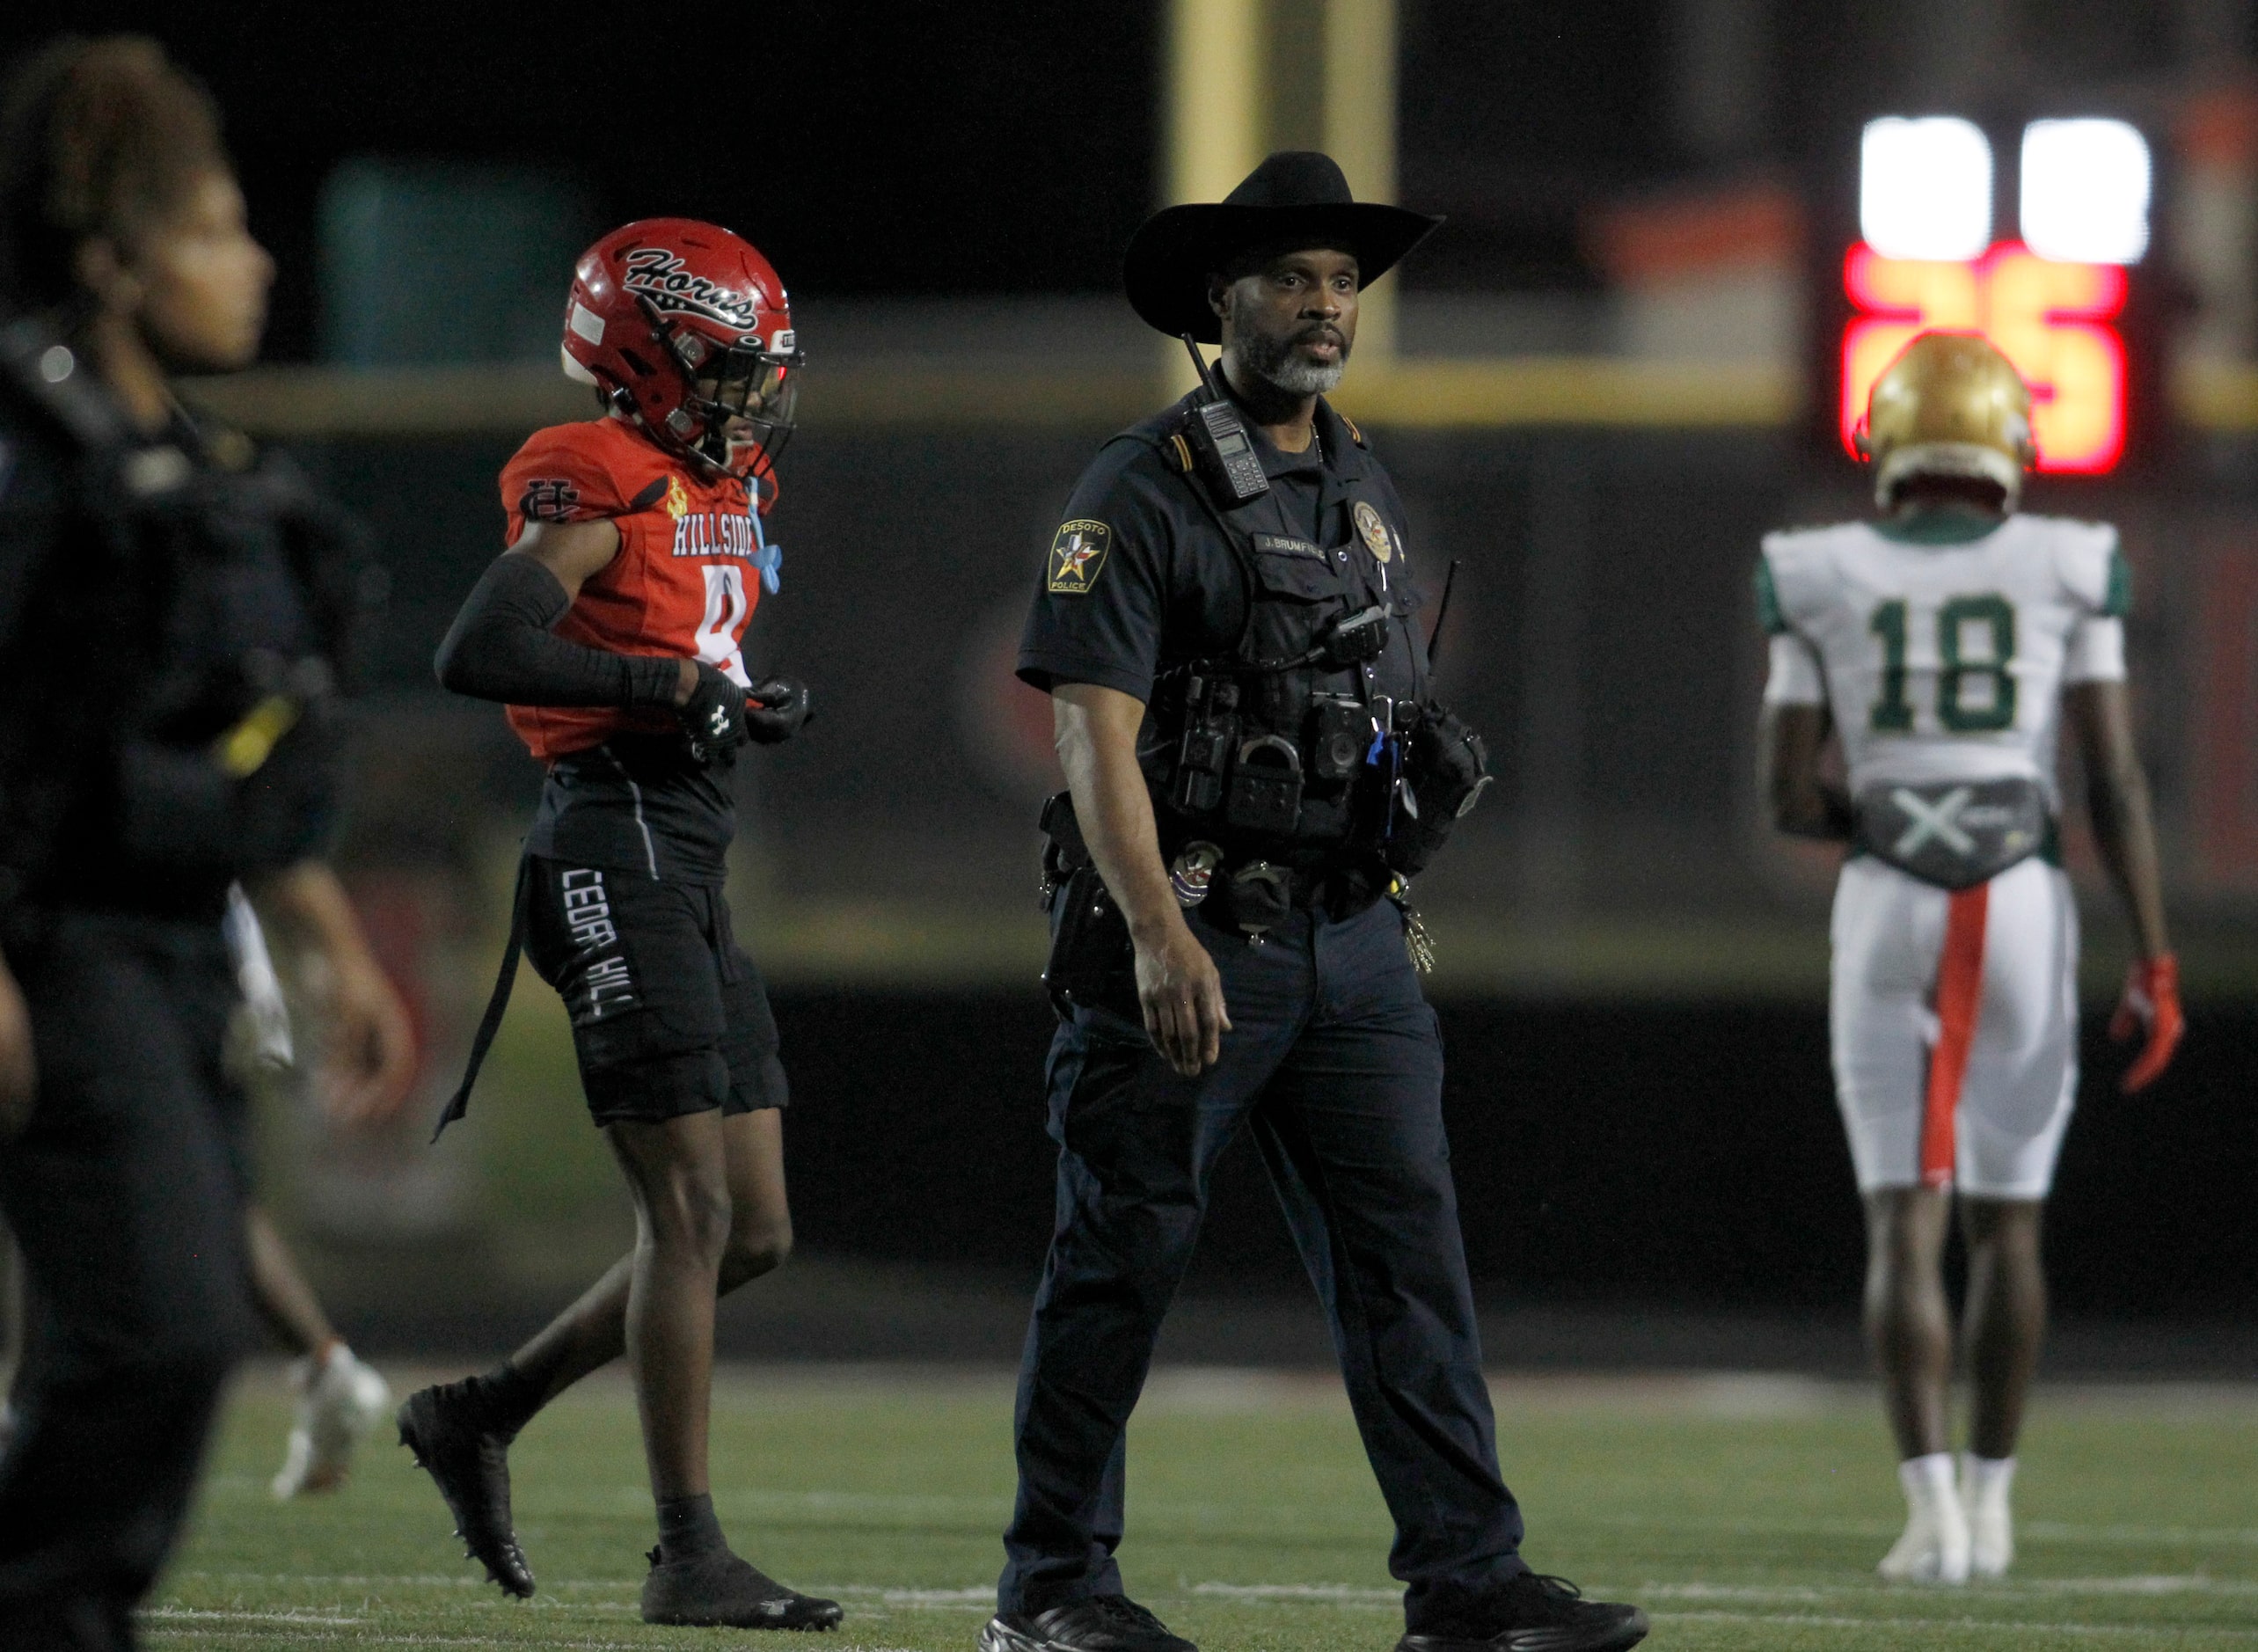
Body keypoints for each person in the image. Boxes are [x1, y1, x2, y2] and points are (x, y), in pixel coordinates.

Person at [990, 151, 1648, 1652]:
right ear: (1220, 301)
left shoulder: (1358, 477)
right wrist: (1157, 932)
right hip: (1199, 930)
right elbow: (1089, 735)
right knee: (1119, 1261)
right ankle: (1050, 1592)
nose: (1327, 303)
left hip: (1352, 942)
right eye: (1295, 276)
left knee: (1410, 1263)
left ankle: (1468, 1583)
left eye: (1344, 281)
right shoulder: (1135, 488)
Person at [0, 35, 406, 1649]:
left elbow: (206, 733)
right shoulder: (30, 459)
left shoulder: (202, 475)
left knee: (165, 1342)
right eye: (213, 227)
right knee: (159, 1327)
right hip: (58, 944)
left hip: (171, 950)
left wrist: (325, 932)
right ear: (109, 257)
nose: (254, 262)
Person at [402, 217, 835, 1632]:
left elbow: (685, 642)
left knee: (755, 1225)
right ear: (641, 361)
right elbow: (483, 646)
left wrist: (732, 694)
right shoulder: (591, 472)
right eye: (720, 368)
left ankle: (485, 1409)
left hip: (687, 843)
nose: (746, 396)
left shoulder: (721, 473)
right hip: (610, 831)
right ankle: (687, 1552)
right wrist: (667, 691)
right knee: (691, 1209)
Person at [1757, 331, 2183, 1584]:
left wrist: (1893, 822)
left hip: (1889, 893)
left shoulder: (1813, 565)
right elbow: (2110, 776)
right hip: (2022, 894)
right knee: (2009, 1230)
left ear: (1883, 441)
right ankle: (1994, 1509)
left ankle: (1929, 1511)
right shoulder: (2072, 558)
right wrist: (2154, 958)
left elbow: (1790, 796)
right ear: (2011, 438)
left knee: (1903, 1222)